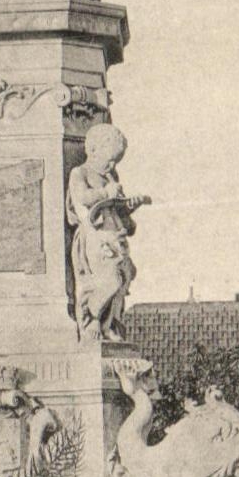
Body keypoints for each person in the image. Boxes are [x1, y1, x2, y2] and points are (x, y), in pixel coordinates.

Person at [66, 124, 150, 342]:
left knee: (123, 278)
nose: (112, 165)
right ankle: (92, 317)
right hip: (96, 237)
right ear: (92, 150)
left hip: (116, 235)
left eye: (116, 161)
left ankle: (108, 323)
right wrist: (105, 192)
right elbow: (82, 197)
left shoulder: (110, 177)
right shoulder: (80, 173)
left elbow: (118, 210)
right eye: (110, 159)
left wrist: (130, 205)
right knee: (110, 279)